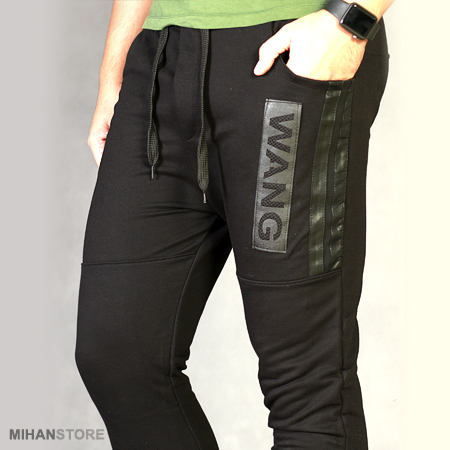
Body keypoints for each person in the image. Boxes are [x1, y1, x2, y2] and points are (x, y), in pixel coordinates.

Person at [75, 0, 395, 449]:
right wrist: (115, 71)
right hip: (158, 58)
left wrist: (349, 20)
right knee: (120, 357)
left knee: (306, 389)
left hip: (286, 52)